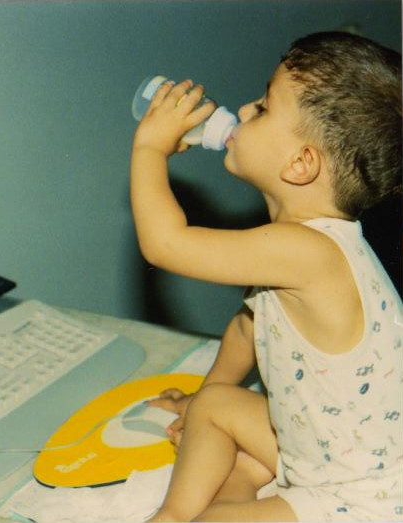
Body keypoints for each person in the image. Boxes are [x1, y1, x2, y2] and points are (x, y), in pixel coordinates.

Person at [130, 31, 402, 521]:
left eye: (263, 108)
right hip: (320, 450)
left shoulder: (307, 251)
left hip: (363, 494)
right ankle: (174, 513)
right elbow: (247, 328)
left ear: (300, 165)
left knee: (216, 516)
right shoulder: (291, 246)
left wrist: (150, 148)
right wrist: (199, 401)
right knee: (215, 404)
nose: (243, 110)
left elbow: (164, 244)